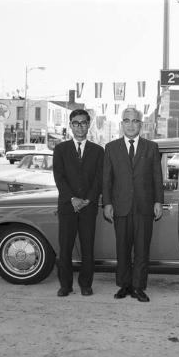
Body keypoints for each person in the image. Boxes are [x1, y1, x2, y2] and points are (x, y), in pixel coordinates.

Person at [102, 107, 164, 302]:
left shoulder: (151, 147)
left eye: (135, 121)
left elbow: (157, 177)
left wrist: (159, 201)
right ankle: (124, 285)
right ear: (122, 124)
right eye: (127, 121)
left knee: (142, 249)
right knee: (122, 248)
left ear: (141, 124)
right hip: (120, 206)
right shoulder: (111, 148)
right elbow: (107, 179)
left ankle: (138, 287)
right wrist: (107, 203)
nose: (130, 124)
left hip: (144, 207)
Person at [52, 109, 104, 297]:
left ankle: (86, 284)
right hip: (67, 206)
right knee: (65, 247)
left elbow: (99, 179)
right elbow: (59, 176)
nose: (80, 126)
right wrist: (72, 199)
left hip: (88, 208)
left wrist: (88, 199)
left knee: (87, 247)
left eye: (83, 123)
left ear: (88, 125)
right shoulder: (60, 149)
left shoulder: (98, 151)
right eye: (76, 123)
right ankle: (65, 285)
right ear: (71, 125)